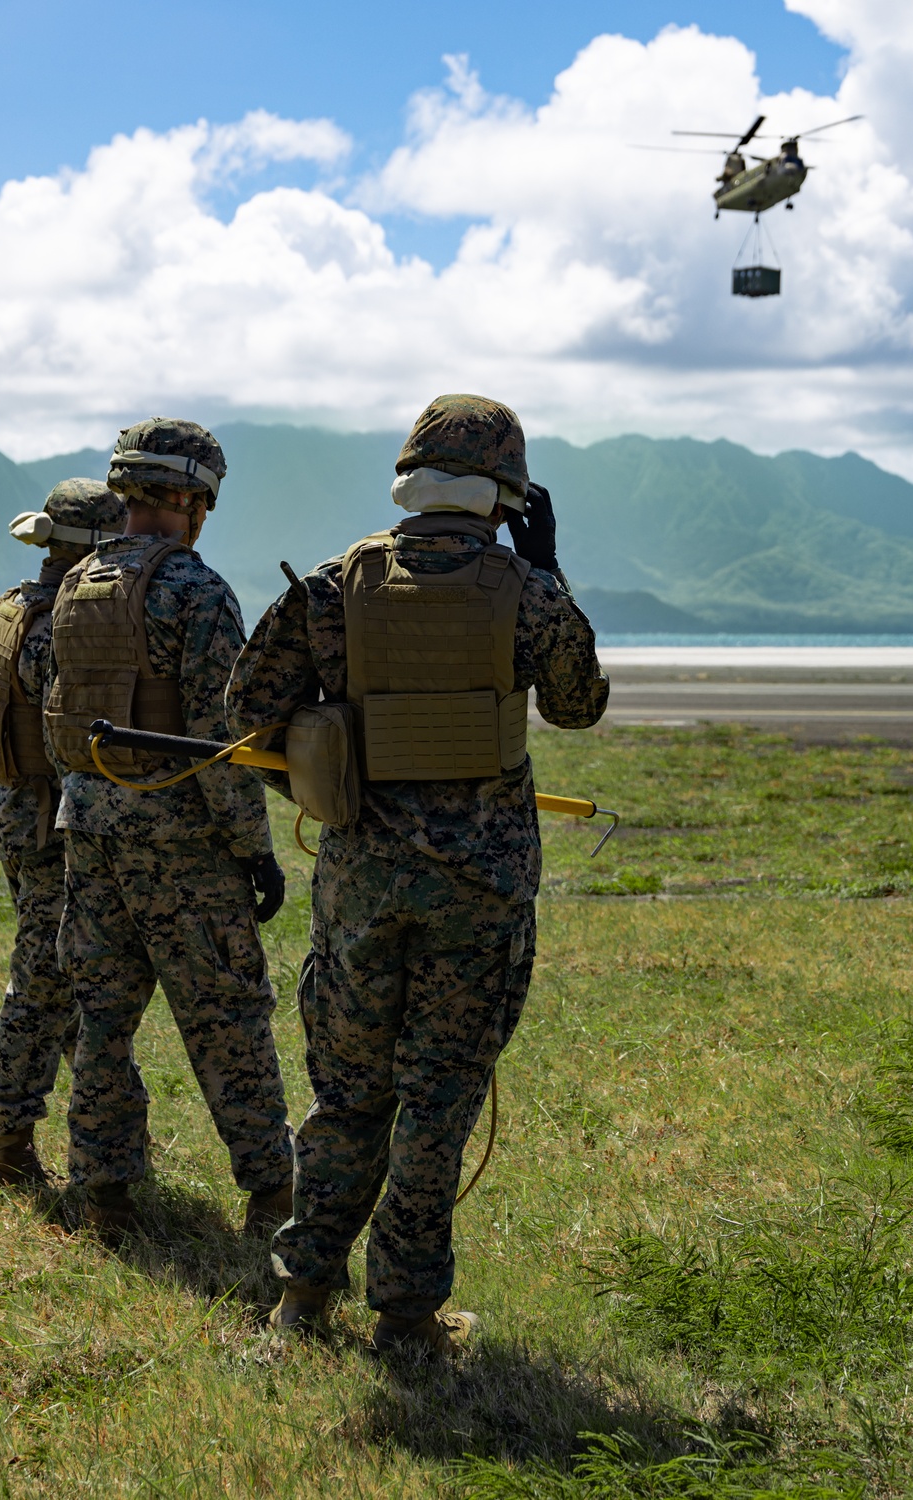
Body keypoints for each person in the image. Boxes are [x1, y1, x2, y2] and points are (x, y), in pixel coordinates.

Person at [226, 393, 610, 1351]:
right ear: (508, 491)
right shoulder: (526, 592)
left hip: (360, 885)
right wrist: (547, 567)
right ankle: (406, 1318)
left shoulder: (331, 586)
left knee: (346, 1096)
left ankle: (302, 1297)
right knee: (437, 1105)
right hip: (478, 895)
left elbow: (251, 713)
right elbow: (577, 705)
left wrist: (332, 792)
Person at [45, 418, 293, 1238]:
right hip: (180, 848)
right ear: (195, 500)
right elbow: (221, 745)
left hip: (88, 830)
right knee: (227, 1022)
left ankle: (103, 1198)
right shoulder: (197, 592)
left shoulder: (77, 583)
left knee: (102, 1021)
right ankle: (272, 1198)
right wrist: (255, 853)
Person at [0, 479, 127, 1187]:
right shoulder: (61, 632)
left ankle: (121, 1120)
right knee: (40, 983)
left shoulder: (9, 610)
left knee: (59, 973)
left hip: (8, 809)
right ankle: (9, 1143)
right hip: (45, 823)